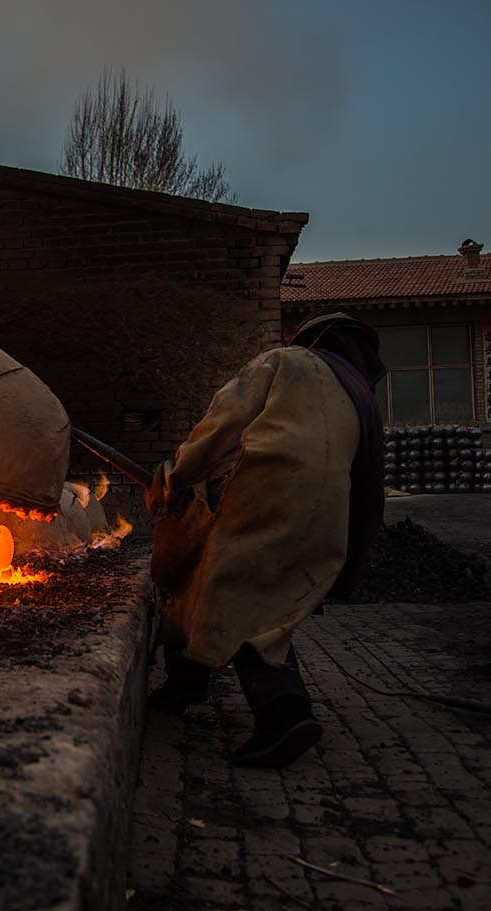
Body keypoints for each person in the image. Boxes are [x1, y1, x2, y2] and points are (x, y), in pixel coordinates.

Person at [144, 311, 387, 767]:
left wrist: (175, 478)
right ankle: (186, 684)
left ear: (315, 340)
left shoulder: (286, 361)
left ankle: (284, 714)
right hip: (328, 508)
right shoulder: (362, 401)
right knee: (243, 594)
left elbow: (224, 421)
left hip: (263, 488)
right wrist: (349, 561)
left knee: (233, 598)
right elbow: (372, 489)